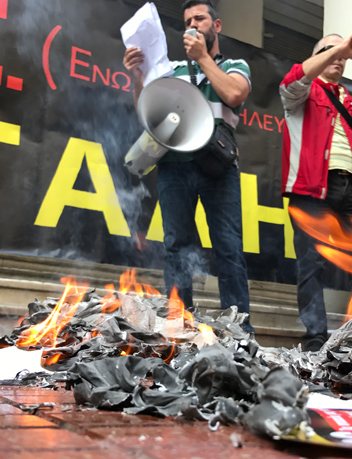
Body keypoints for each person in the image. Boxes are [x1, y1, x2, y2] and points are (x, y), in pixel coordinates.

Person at [123, 0, 253, 332]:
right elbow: (147, 113)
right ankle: (180, 325)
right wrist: (139, 78)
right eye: (187, 21)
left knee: (228, 248)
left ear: (217, 25)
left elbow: (235, 94)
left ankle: (238, 331)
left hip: (218, 168)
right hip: (174, 167)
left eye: (200, 19)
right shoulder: (172, 70)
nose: (193, 25)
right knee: (176, 247)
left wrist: (203, 59)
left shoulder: (234, 65)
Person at [279, 33, 352, 351]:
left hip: (351, 190)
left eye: (342, 54)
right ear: (318, 57)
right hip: (312, 188)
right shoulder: (303, 89)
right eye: (330, 52)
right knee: (311, 262)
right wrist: (340, 48)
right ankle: (315, 334)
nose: (339, 58)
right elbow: (291, 81)